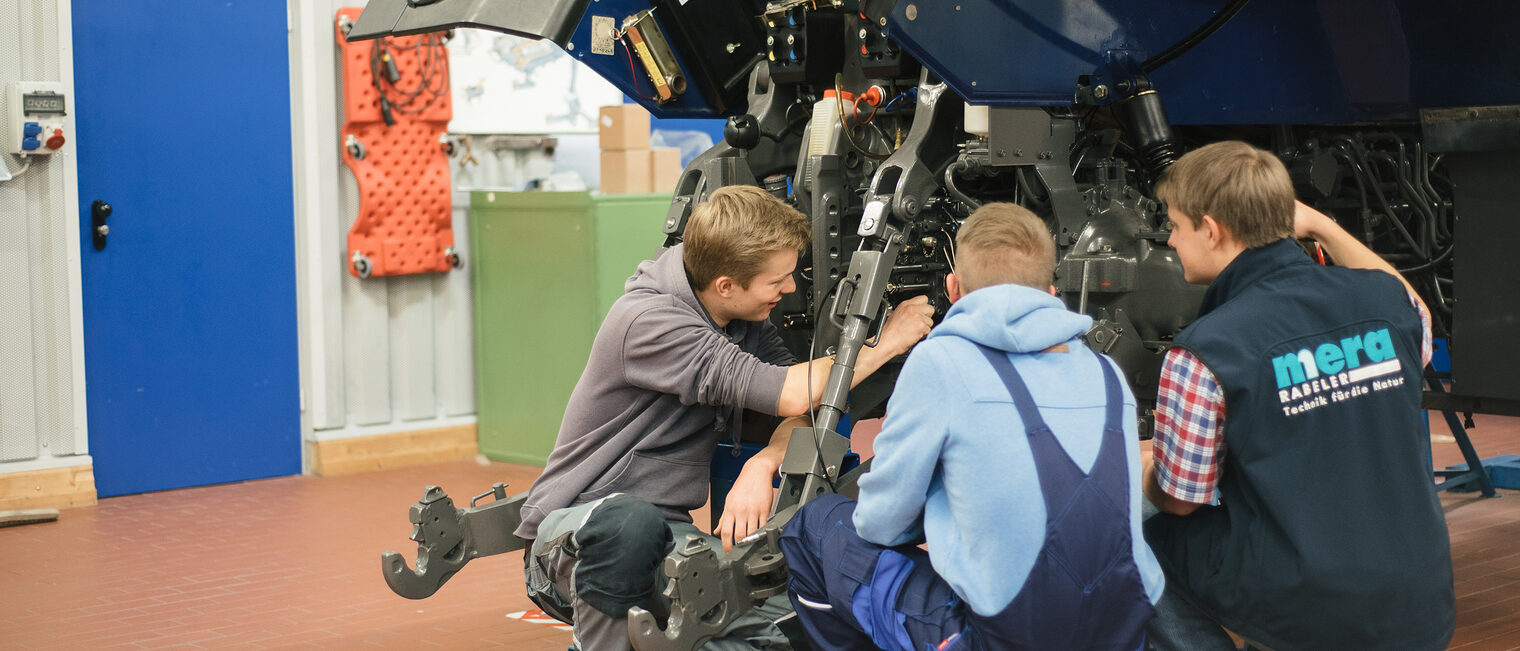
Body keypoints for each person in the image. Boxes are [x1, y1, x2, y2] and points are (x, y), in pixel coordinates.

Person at [516, 184, 936, 651]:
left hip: (668, 537)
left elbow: (800, 409)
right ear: (726, 286)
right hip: (578, 536)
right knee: (630, 524)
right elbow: (795, 392)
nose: (790, 288)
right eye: (777, 281)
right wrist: (888, 342)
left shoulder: (742, 320)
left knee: (785, 608)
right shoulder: (649, 321)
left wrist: (763, 464)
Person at [778, 202, 1165, 651]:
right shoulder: (1106, 374)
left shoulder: (940, 363)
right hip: (1121, 629)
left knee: (812, 527)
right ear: (1052, 291)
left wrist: (940, 511)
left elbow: (881, 524)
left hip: (999, 637)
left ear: (953, 287)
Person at [1142, 141, 1455, 650]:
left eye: (1175, 225)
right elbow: (1412, 306)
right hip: (1423, 606)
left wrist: (1145, 466)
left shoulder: (1206, 349)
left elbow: (1180, 502)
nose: (1171, 241)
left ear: (1211, 229)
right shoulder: (1385, 303)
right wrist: (1322, 226)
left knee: (1132, 535)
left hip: (1310, 618)